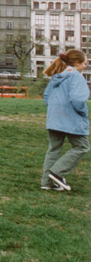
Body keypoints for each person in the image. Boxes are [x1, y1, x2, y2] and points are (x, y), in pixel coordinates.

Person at [40, 49, 89, 191]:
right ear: (78, 63)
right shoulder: (76, 76)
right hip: (71, 119)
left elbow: (47, 96)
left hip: (54, 118)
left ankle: (46, 183)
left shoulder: (57, 76)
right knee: (82, 147)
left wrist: (56, 110)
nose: (85, 66)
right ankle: (56, 173)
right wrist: (82, 112)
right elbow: (78, 99)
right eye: (84, 63)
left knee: (54, 149)